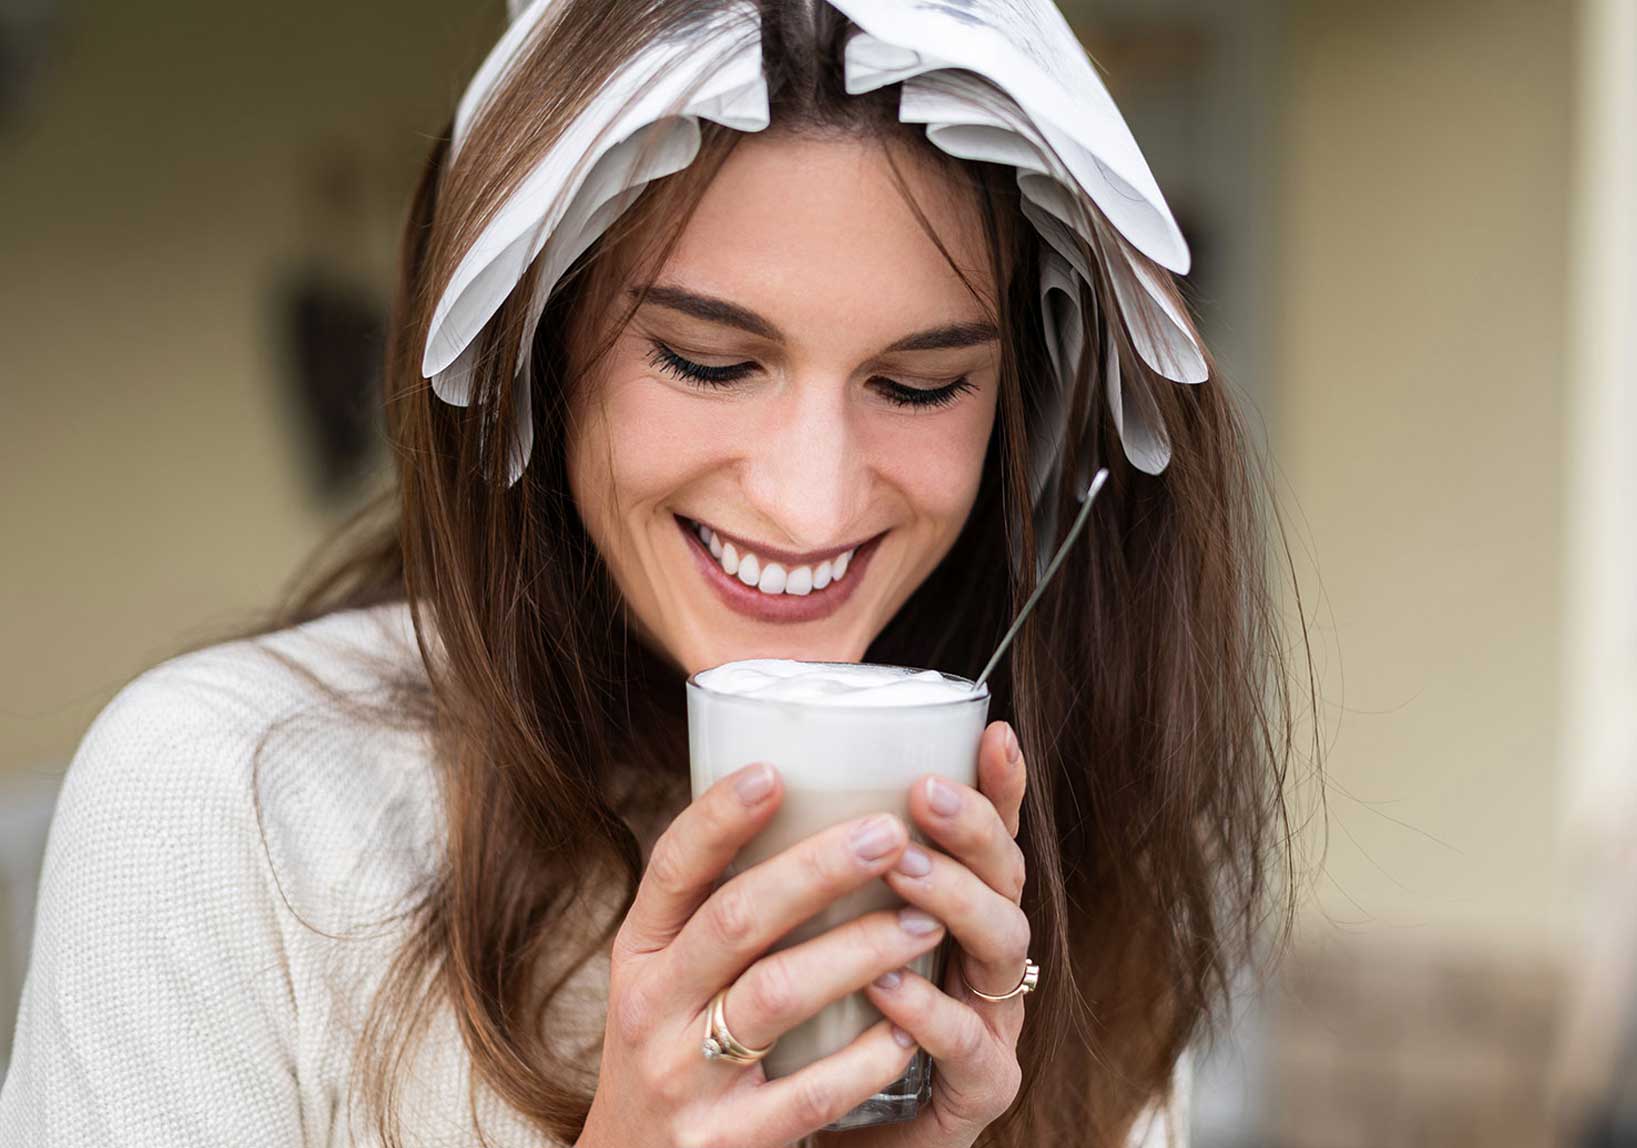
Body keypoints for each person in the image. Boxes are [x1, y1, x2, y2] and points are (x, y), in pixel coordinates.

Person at [0, 1, 1312, 1145]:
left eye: (918, 385)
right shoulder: (224, 806)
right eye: (704, 359)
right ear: (534, 345)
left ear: (1021, 401)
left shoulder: (1049, 878)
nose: (810, 501)